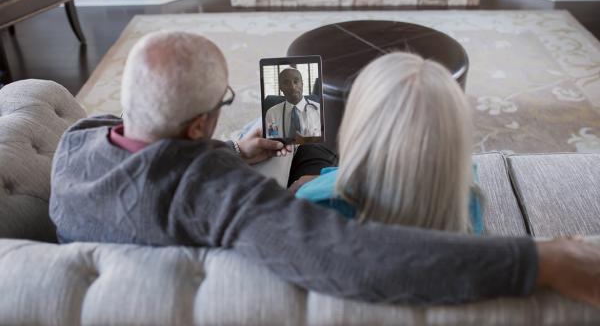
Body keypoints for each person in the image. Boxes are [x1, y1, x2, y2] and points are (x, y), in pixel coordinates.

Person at [49, 31, 600, 307]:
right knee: (315, 149)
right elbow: (354, 254)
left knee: (306, 141)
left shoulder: (76, 143)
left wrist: (237, 150)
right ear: (198, 127)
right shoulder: (226, 199)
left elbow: (161, 166)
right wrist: (542, 259)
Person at [293, 52, 485, 234]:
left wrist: (305, 187)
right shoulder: (469, 200)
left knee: (309, 148)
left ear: (358, 124)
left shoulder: (317, 203)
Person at [264, 68, 321, 141]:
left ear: (302, 84)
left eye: (296, 82)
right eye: (286, 83)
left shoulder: (319, 109)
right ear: (280, 87)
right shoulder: (272, 113)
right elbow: (273, 140)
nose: (292, 87)